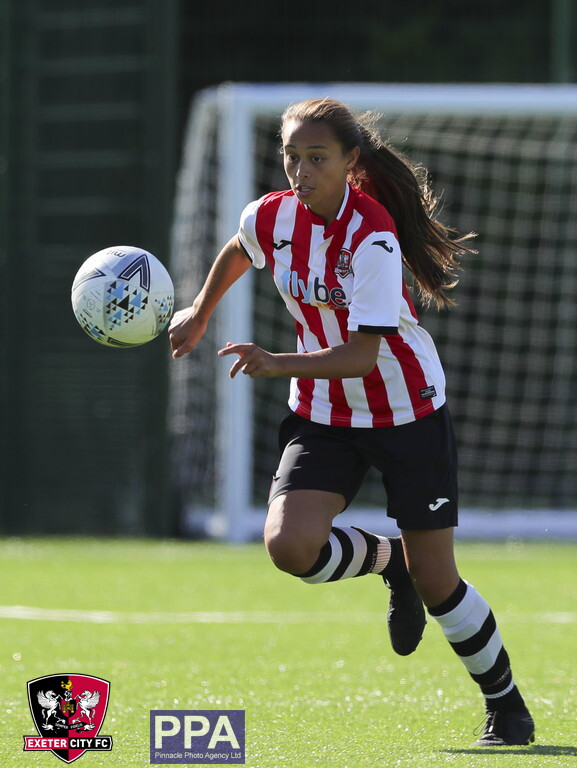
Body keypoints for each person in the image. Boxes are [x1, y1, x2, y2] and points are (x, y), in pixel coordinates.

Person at [169, 97, 534, 747]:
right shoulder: (271, 216)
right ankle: (386, 560)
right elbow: (241, 246)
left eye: (317, 158)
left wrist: (275, 362)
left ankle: (507, 709)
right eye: (292, 158)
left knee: (437, 579)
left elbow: (361, 356)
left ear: (349, 162)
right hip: (324, 410)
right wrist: (199, 311)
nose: (301, 172)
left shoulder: (372, 236)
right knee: (290, 548)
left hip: (405, 408)